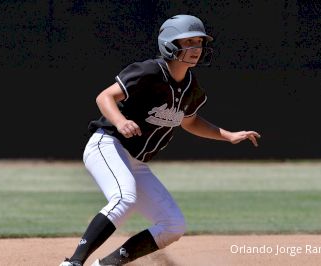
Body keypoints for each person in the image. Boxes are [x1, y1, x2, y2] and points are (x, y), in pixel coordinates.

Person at [60, 14, 260, 266]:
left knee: (173, 224)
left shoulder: (190, 85)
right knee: (124, 198)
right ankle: (73, 263)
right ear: (170, 44)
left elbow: (190, 121)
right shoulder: (149, 71)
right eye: (188, 42)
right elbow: (105, 97)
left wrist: (228, 135)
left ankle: (106, 264)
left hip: (136, 160)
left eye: (199, 42)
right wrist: (121, 122)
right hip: (107, 144)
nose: (196, 48)